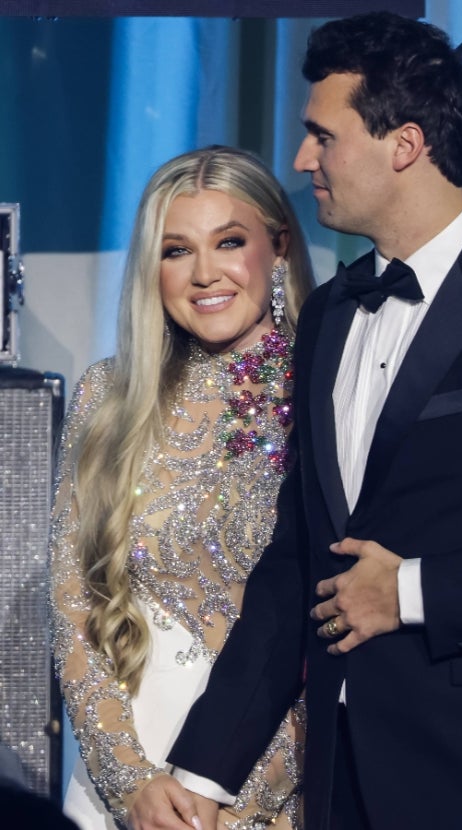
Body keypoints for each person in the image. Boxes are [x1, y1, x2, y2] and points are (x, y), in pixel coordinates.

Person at [135, 12, 462, 830]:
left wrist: (415, 591)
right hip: (343, 779)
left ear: (405, 144)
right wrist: (202, 775)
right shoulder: (327, 313)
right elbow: (296, 566)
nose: (301, 161)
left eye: (323, 137)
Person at [50, 145, 315, 829]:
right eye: (175, 251)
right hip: (125, 785)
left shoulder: (327, 390)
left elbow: (316, 629)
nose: (205, 274)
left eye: (230, 242)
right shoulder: (108, 396)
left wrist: (230, 804)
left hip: (265, 790)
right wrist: (131, 782)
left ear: (278, 247)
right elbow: (73, 605)